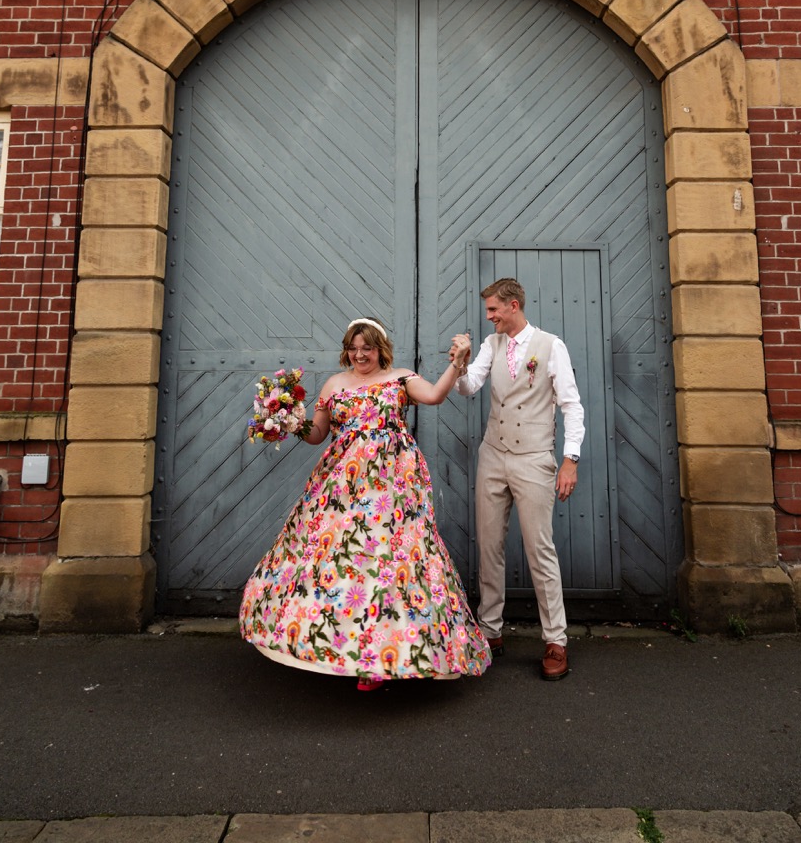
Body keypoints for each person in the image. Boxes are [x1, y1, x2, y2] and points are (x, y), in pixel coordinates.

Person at [240, 316, 492, 690]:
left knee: (388, 564)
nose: (360, 354)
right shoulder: (335, 384)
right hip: (342, 488)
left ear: (380, 349)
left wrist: (457, 365)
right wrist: (291, 421)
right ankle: (339, 648)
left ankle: (381, 660)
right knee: (342, 562)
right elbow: (319, 434)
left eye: (367, 348)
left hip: (393, 486)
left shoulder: (400, 378)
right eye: (354, 348)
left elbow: (435, 396)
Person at [450, 278, 585, 681]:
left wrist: (570, 460)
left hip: (533, 460)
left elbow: (571, 405)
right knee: (489, 545)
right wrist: (459, 362)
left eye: (493, 310)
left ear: (512, 306)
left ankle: (555, 639)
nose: (488, 316)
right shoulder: (492, 345)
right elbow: (469, 387)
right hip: (493, 456)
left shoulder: (550, 346)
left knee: (539, 549)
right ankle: (490, 632)